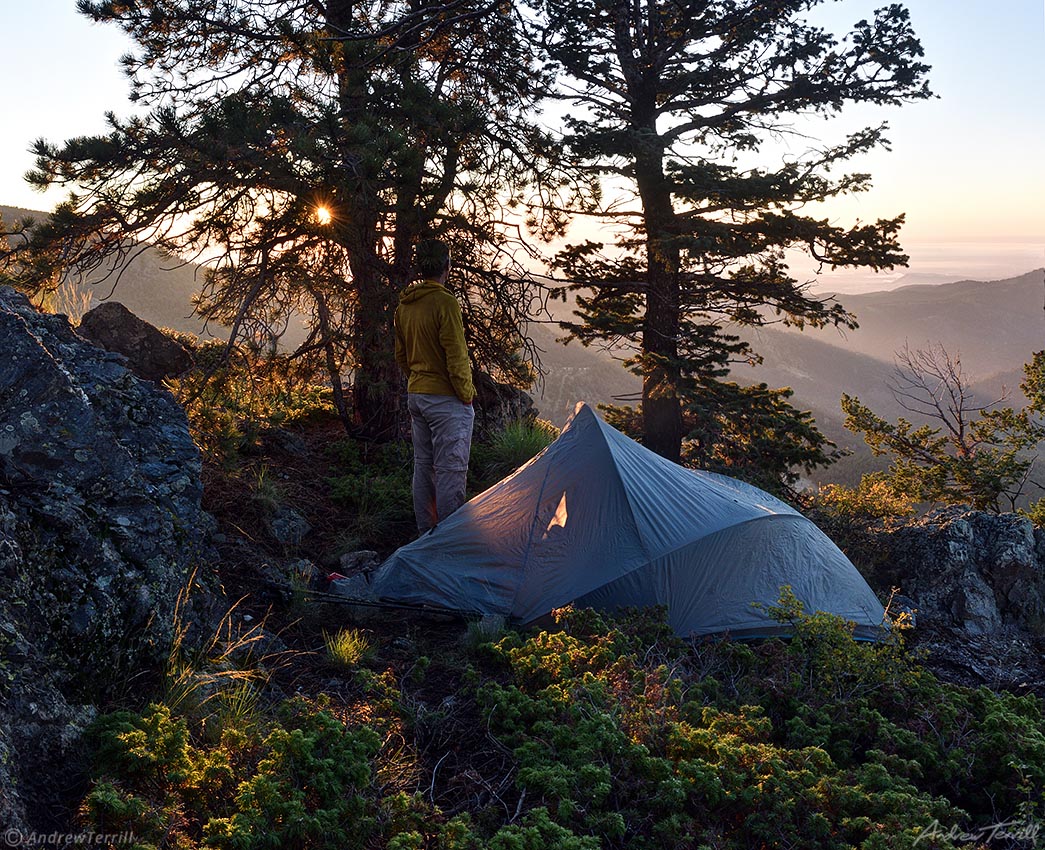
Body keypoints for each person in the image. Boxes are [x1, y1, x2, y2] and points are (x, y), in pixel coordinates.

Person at [394, 239, 476, 534]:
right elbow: (456, 355)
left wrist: (417, 380)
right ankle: (449, 545)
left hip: (418, 395)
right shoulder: (445, 302)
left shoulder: (405, 305)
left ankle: (425, 537)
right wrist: (465, 395)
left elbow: (401, 355)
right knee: (450, 473)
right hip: (446, 400)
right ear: (447, 266)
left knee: (423, 468)